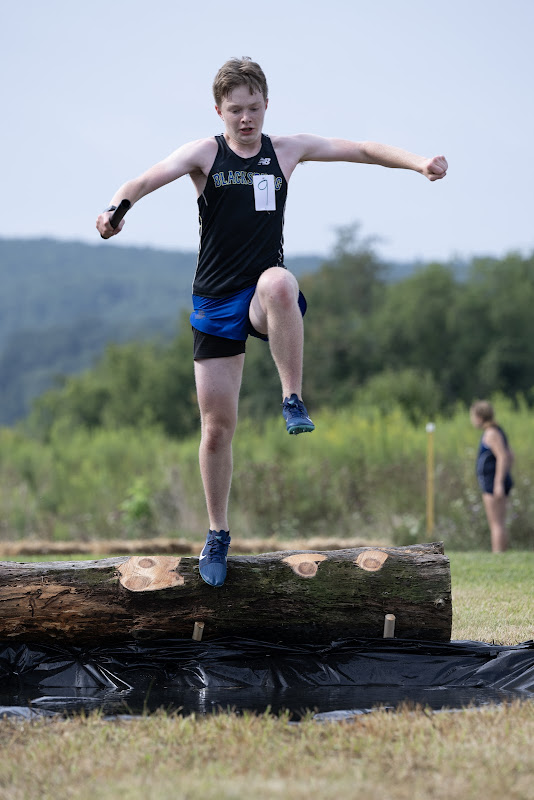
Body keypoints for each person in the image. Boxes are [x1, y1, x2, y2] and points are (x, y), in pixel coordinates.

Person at [96, 57, 448, 586]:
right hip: (215, 300)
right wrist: (114, 210)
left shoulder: (285, 150)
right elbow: (144, 179)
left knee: (281, 281)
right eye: (235, 110)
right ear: (219, 110)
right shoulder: (204, 154)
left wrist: (419, 162)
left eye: (254, 108)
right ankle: (217, 533)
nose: (246, 119)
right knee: (217, 429)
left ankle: (292, 398)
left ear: (267, 105)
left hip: (261, 296)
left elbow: (361, 149)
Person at [470, 400, 514, 552]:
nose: (472, 420)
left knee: (495, 524)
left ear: (480, 417)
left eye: (473, 416)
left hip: (492, 483)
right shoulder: (497, 431)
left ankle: (497, 555)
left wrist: (498, 482)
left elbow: (502, 457)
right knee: (499, 523)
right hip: (496, 481)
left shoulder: (491, 433)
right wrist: (505, 475)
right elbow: (511, 455)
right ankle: (502, 554)